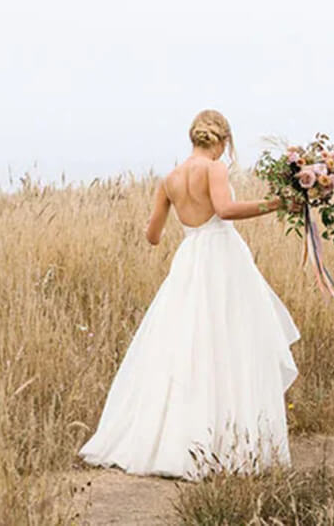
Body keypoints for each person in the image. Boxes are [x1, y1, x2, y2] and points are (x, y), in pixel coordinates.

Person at [78, 109, 301, 479]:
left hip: (189, 259)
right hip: (222, 259)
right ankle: (226, 441)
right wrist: (277, 203)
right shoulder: (215, 168)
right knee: (231, 342)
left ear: (193, 138)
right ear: (223, 141)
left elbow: (152, 236)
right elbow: (225, 210)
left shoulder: (170, 179)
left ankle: (173, 439)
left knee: (184, 345)